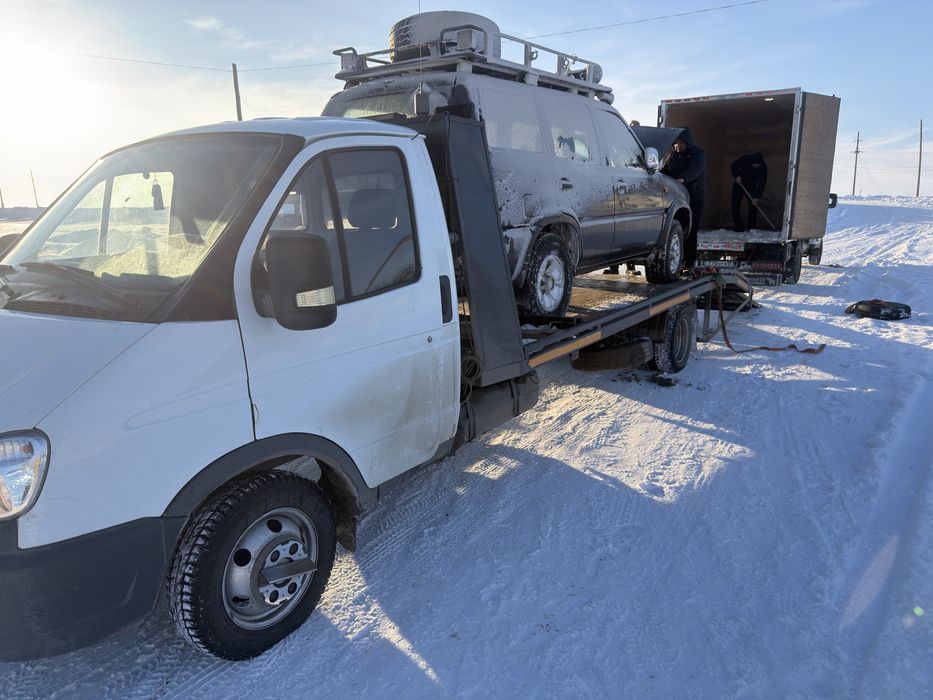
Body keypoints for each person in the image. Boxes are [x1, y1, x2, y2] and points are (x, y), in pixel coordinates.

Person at [661, 128, 706, 268]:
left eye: (680, 143)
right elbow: (665, 171)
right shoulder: (673, 156)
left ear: (687, 142)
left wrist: (682, 179)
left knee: (691, 230)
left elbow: (696, 170)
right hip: (677, 201)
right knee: (677, 230)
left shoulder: (698, 154)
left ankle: (689, 261)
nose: (678, 146)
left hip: (694, 199)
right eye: (676, 143)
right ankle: (677, 260)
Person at [730, 152, 768, 231]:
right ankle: (739, 227)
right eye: (755, 165)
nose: (757, 166)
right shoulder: (745, 159)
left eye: (758, 165)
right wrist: (737, 176)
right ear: (751, 163)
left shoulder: (763, 167)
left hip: (751, 187)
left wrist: (757, 197)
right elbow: (733, 166)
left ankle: (751, 228)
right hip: (739, 185)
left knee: (753, 206)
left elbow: (762, 183)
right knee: (735, 206)